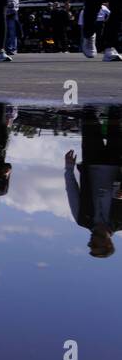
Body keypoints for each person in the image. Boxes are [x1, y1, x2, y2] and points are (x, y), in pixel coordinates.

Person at [64, 105, 122, 258]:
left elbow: (71, 192)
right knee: (115, 121)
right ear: (108, 244)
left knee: (88, 117)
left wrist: (69, 169)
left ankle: (91, 97)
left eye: (90, 246)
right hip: (117, 166)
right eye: (95, 246)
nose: (90, 243)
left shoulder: (82, 219)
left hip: (91, 164)